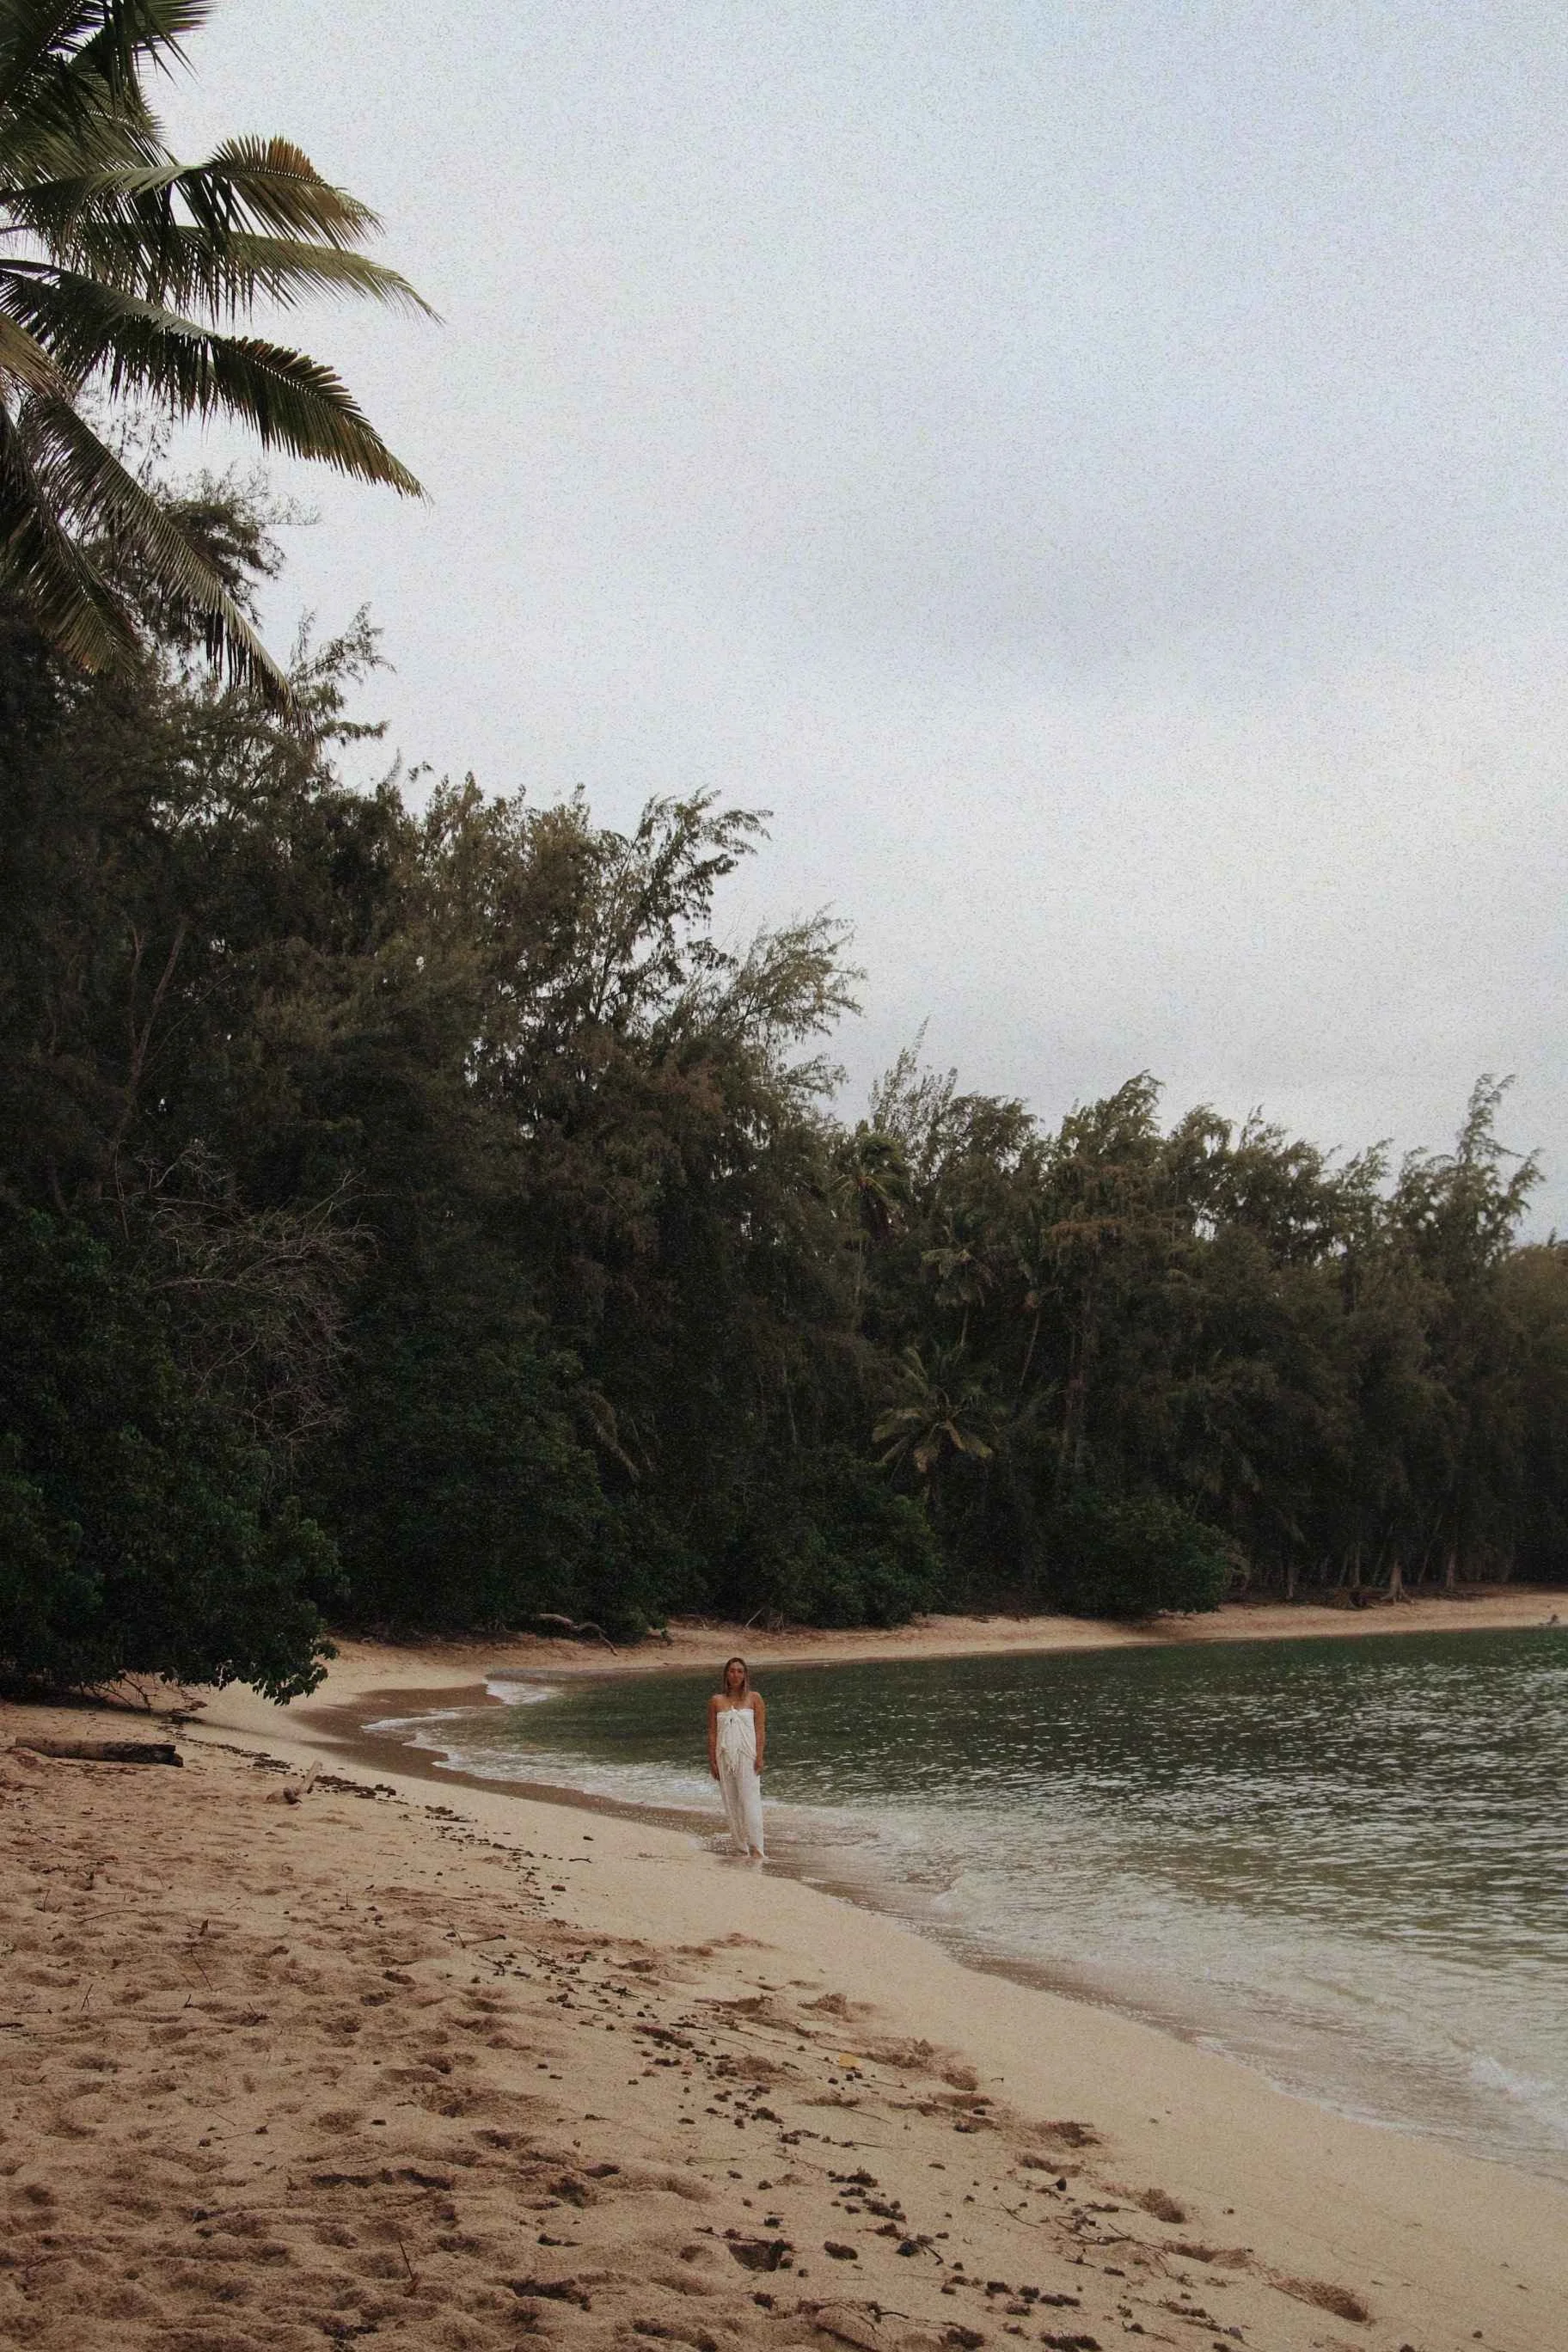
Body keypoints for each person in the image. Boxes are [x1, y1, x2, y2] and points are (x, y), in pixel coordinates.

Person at [707, 1656, 766, 1859]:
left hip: (747, 1755)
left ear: (745, 1675)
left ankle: (757, 1847)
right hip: (724, 1756)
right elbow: (712, 1733)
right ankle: (741, 1847)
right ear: (726, 1674)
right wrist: (712, 1761)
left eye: (740, 1671)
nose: (736, 1675)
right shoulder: (716, 1700)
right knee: (731, 1801)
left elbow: (760, 1730)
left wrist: (759, 1756)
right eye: (732, 1671)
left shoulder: (754, 1698)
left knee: (750, 1800)